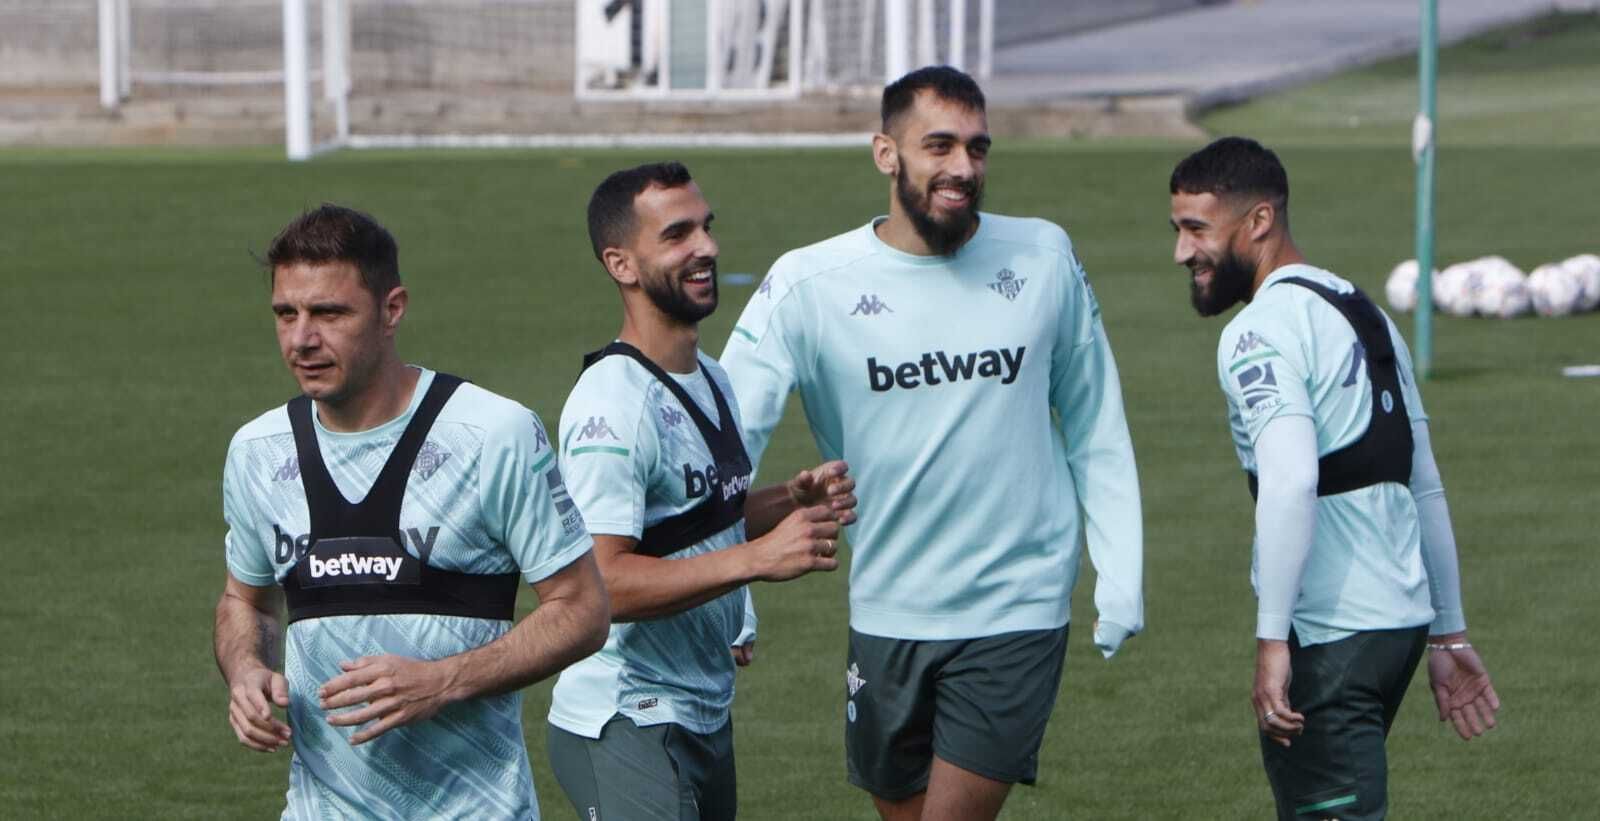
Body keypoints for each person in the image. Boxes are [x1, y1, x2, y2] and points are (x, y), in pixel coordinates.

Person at [720, 66, 1145, 821]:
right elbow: (726, 446)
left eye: (977, 148)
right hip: (887, 607)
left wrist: (1121, 576)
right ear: (886, 154)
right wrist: (731, 596)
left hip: (1015, 605)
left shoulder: (1043, 257)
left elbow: (1094, 421)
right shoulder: (809, 284)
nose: (964, 168)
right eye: (939, 146)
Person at [213, 204, 610, 819]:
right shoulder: (257, 451)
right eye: (286, 314)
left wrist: (443, 680)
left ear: (392, 309)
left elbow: (583, 610)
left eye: (330, 313)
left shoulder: (491, 435)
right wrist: (246, 670)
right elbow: (247, 601)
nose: (302, 339)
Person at [1168, 136, 1501, 820]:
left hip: (1331, 636)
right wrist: (1449, 633)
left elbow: (1291, 481)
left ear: (1259, 220)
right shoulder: (1362, 310)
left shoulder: (1258, 331)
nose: (1182, 251)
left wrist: (1271, 641)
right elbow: (1423, 481)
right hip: (1398, 629)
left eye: (1197, 228)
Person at [546, 161, 857, 821]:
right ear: (621, 264)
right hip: (625, 715)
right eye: (677, 234)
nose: (707, 247)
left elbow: (700, 518)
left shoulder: (711, 379)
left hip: (702, 710)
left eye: (706, 227)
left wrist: (789, 502)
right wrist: (756, 560)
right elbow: (599, 585)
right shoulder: (612, 406)